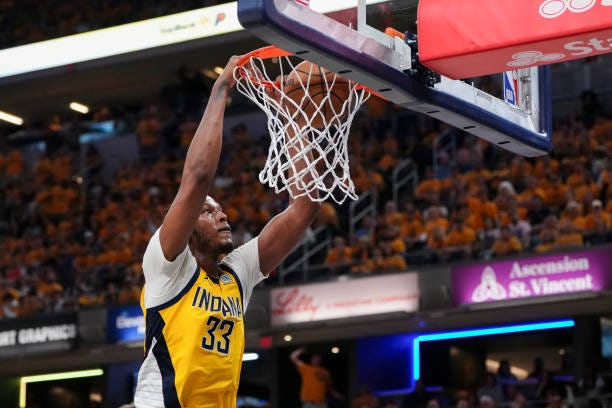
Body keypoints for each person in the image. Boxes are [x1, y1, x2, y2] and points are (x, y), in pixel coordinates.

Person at [134, 56, 321, 407]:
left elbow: (305, 206)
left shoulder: (237, 273)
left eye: (221, 210)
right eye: (208, 211)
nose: (222, 216)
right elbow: (198, 177)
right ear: (187, 226)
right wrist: (222, 87)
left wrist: (294, 120)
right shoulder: (167, 265)